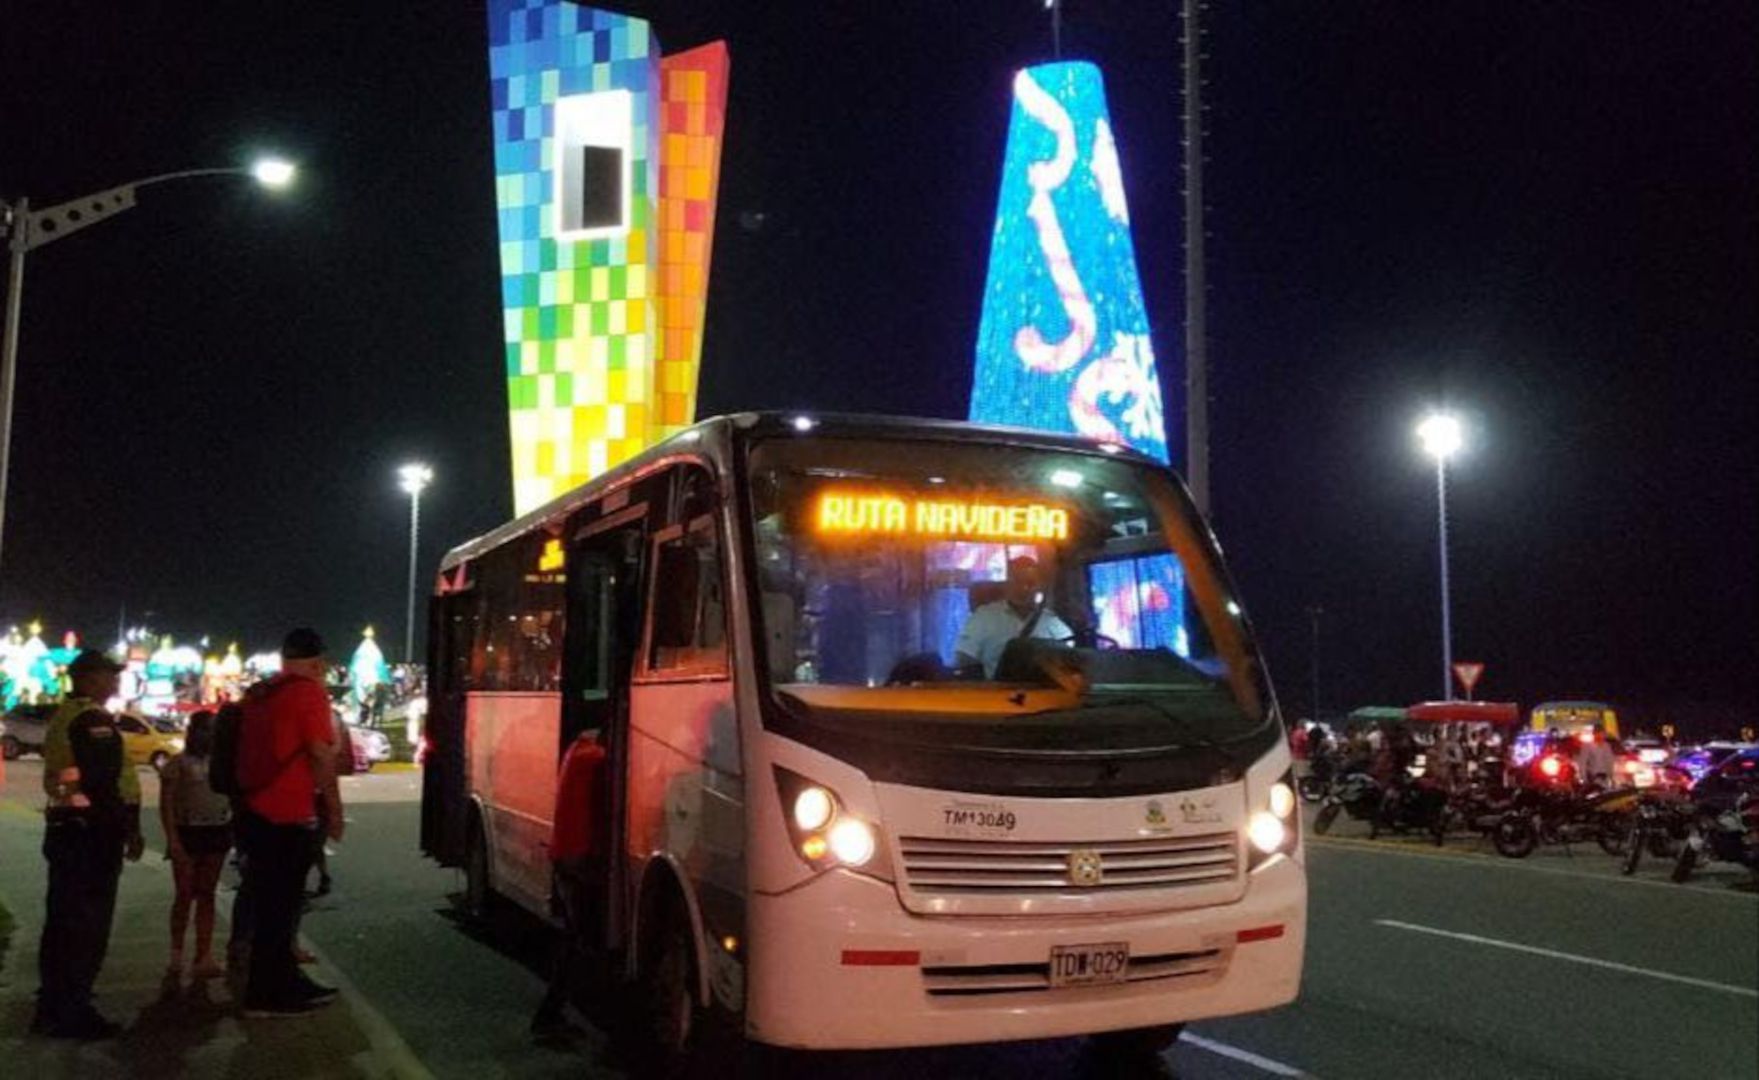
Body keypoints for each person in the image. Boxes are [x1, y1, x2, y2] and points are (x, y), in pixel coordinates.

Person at [33, 649, 143, 1039]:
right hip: (90, 835)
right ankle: (73, 1011)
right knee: (86, 926)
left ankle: (53, 1004)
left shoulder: (66, 717)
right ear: (88, 678)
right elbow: (103, 782)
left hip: (69, 829)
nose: (115, 681)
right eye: (109, 674)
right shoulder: (91, 720)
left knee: (62, 922)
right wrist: (127, 828)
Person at [235, 628, 344, 1017]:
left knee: (268, 909)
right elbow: (319, 754)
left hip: (253, 812)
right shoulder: (309, 693)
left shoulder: (260, 694)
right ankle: (269, 994)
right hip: (287, 815)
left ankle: (279, 984)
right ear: (318, 663)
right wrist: (334, 809)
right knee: (282, 910)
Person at [531, 729, 610, 1036]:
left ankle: (553, 1012)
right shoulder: (596, 759)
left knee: (573, 936)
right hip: (578, 858)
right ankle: (550, 1014)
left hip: (564, 854)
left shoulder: (576, 751)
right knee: (577, 940)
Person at [159, 710, 232, 978]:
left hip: (217, 830)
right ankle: (176, 954)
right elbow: (166, 805)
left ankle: (204, 955)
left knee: (207, 893)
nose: (210, 735)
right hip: (187, 831)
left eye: (214, 730)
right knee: (184, 894)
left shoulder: (222, 762)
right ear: (194, 732)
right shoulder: (178, 764)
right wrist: (173, 841)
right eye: (205, 730)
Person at [953, 556, 1072, 678]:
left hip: (1043, 693)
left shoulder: (1051, 622)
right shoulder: (983, 618)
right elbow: (964, 659)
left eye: (1030, 583)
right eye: (1017, 582)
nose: (1023, 589)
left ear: (1039, 587)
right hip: (998, 693)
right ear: (1007, 584)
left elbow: (1071, 659)